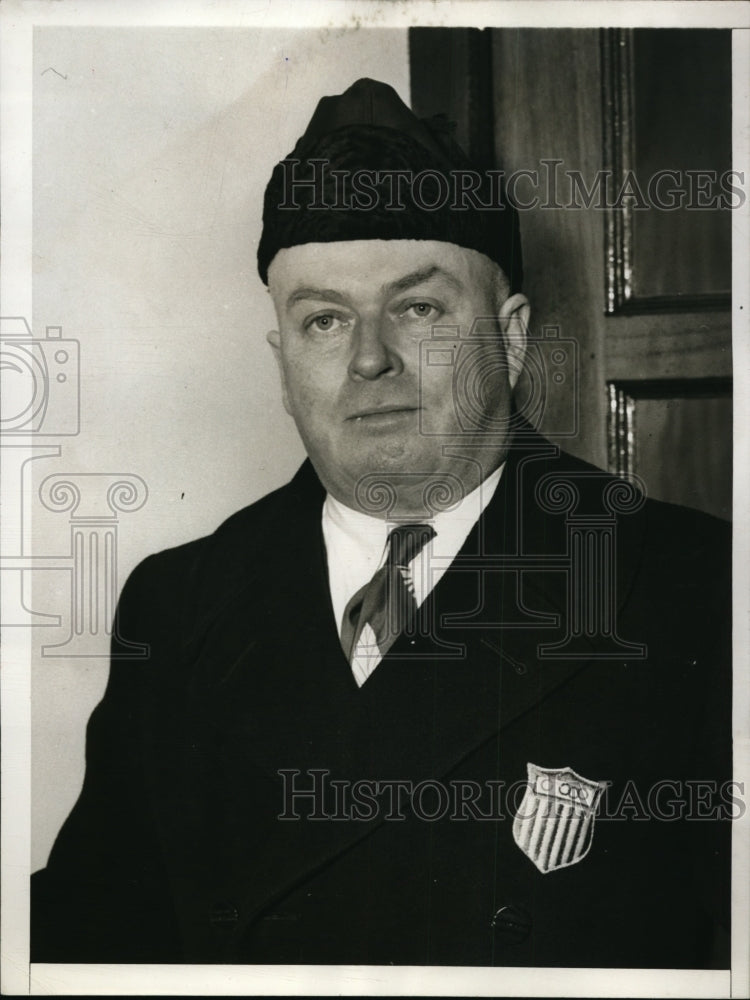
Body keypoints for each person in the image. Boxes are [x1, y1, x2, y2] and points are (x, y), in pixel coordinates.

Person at [31, 78, 732, 968]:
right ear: (282, 361)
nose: (369, 359)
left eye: (419, 308)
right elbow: (92, 937)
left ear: (511, 339)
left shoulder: (690, 585)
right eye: (324, 320)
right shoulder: (178, 603)